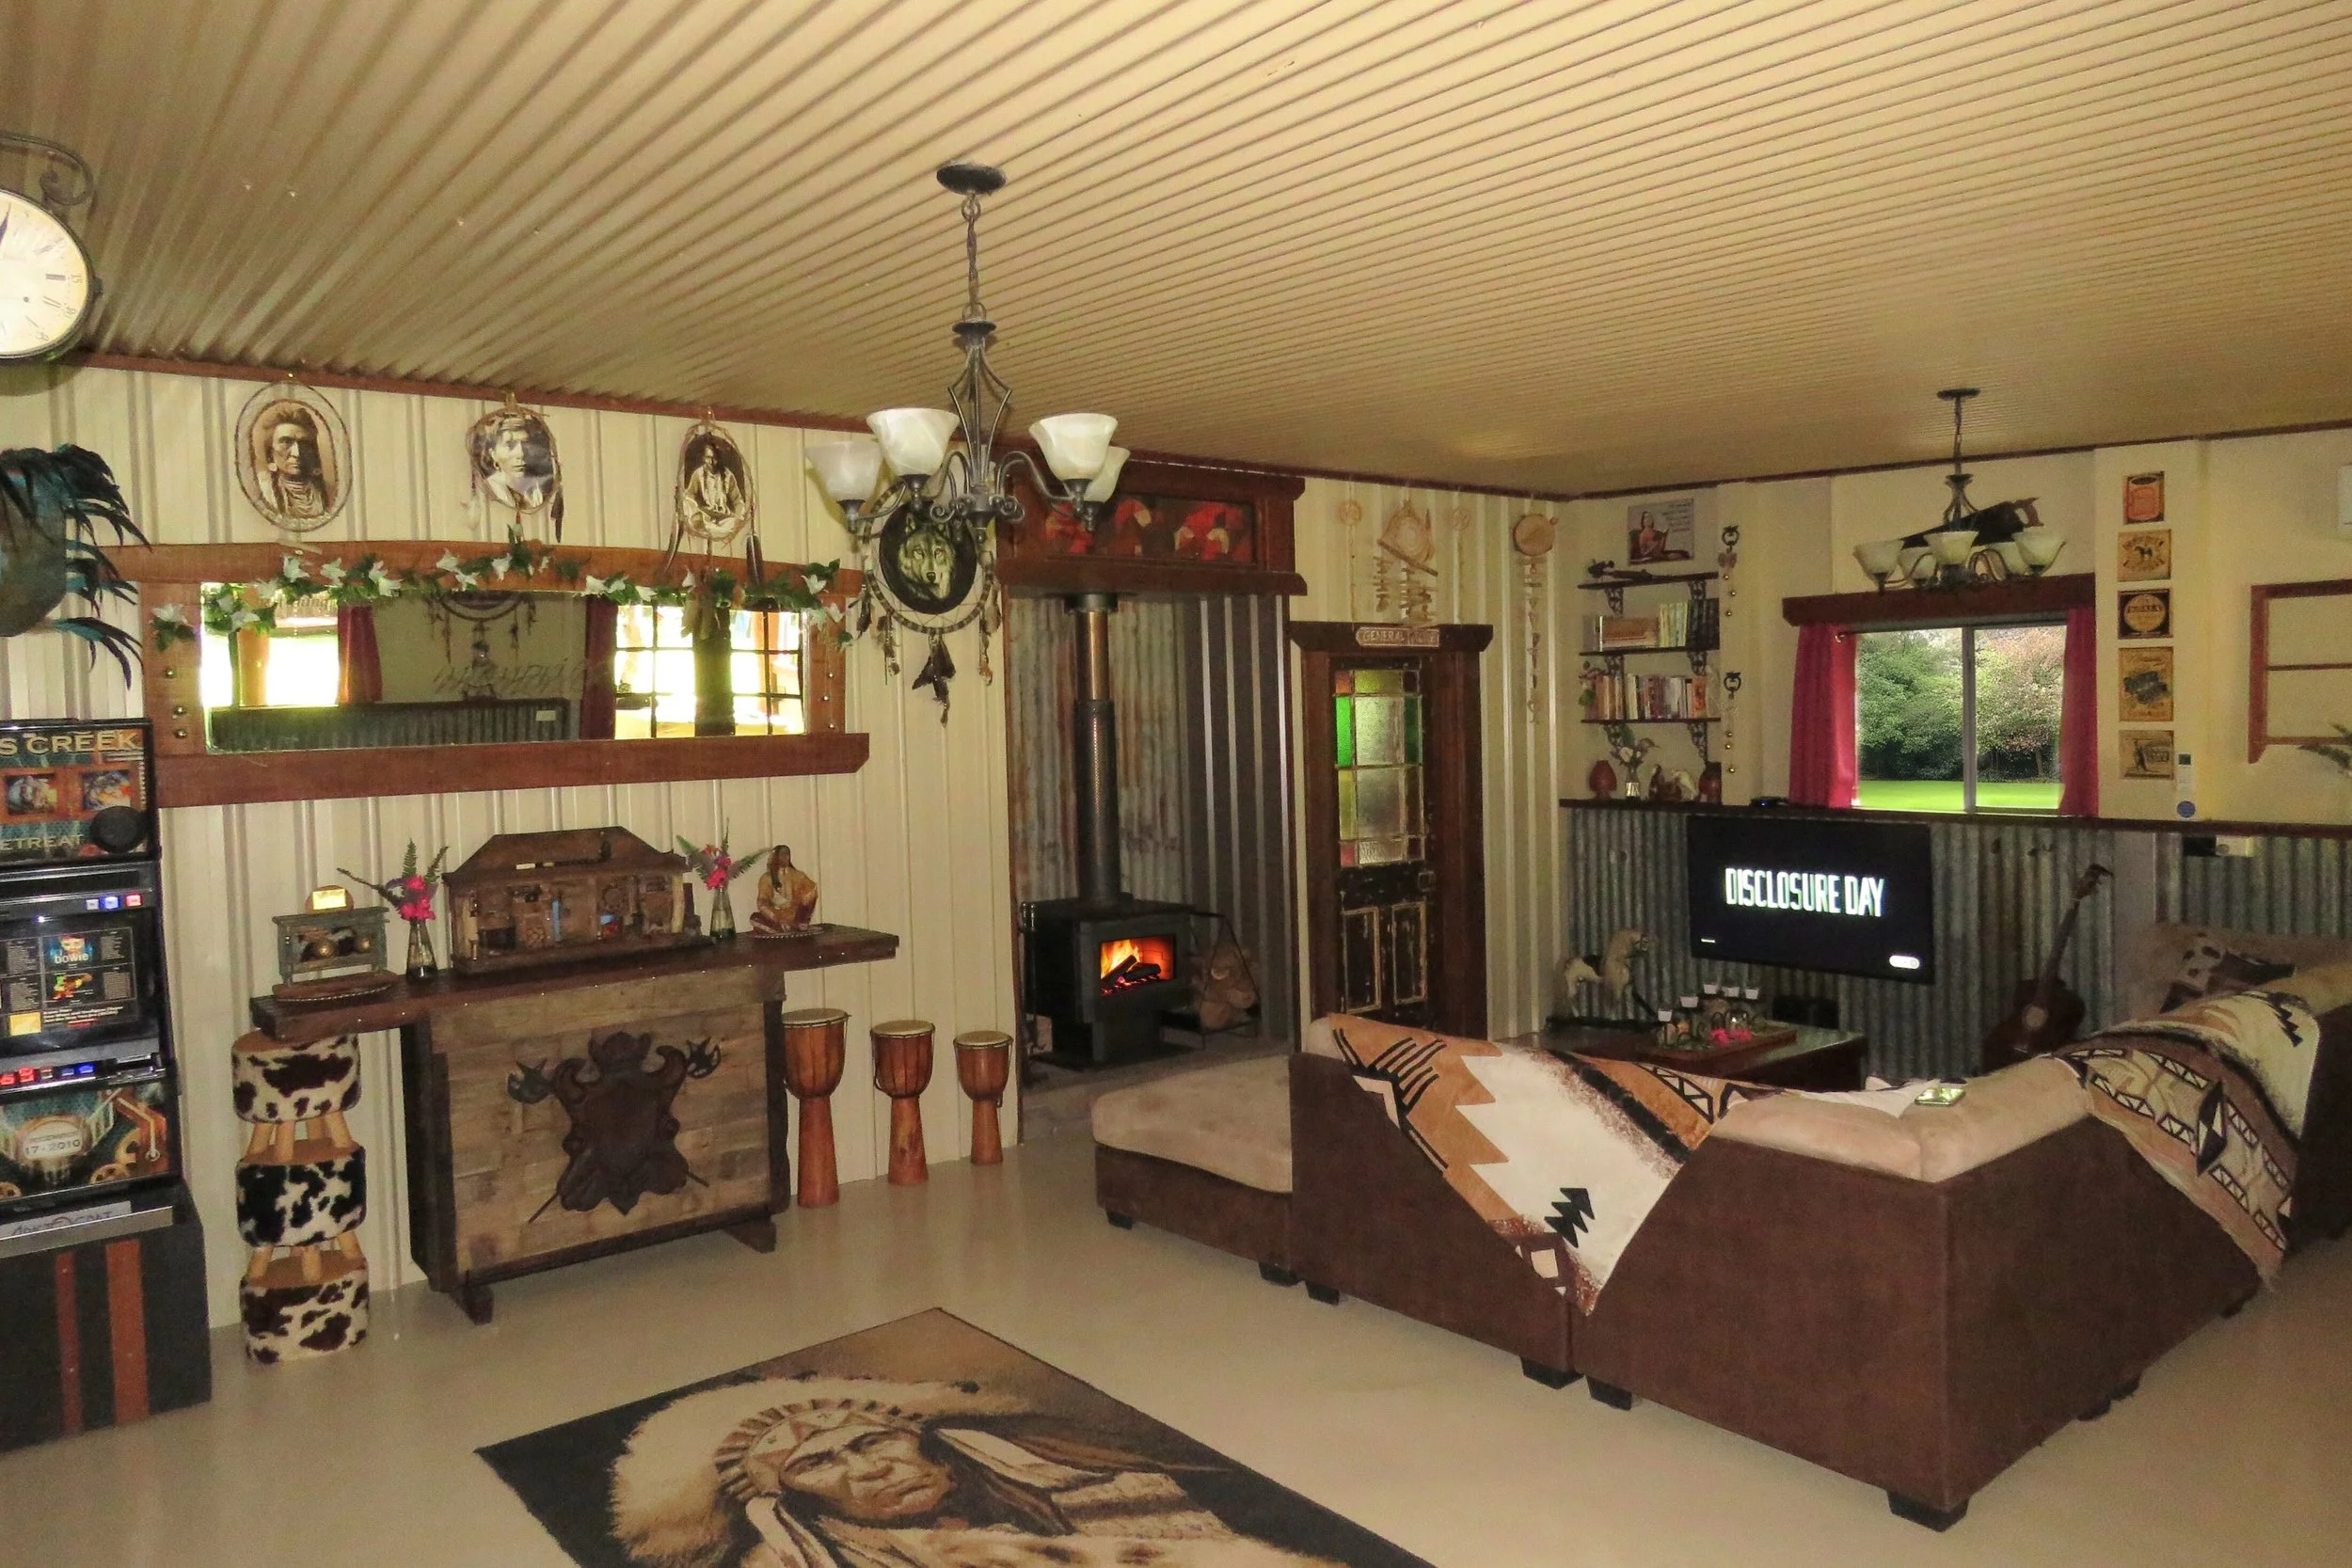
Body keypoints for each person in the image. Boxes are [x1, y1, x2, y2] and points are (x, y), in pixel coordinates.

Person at [609, 1374, 1343, 1568]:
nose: (867, 1467)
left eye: (871, 1439)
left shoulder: (1083, 1480)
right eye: (817, 1463)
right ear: (779, 1497)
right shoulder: (792, 1558)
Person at [472, 407, 557, 512]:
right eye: (510, 445)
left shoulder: (533, 488)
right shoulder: (496, 487)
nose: (520, 453)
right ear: (492, 454)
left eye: (525, 444)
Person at [258, 404, 330, 522]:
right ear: (270, 451)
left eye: (304, 444)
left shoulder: (324, 491)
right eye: (286, 442)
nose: (297, 453)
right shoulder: (264, 490)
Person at [680, 440, 748, 537]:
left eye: (714, 458)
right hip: (706, 517)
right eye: (708, 458)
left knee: (731, 527)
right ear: (704, 458)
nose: (711, 462)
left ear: (719, 459)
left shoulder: (728, 476)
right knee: (697, 523)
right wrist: (695, 512)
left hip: (724, 518)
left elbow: (738, 501)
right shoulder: (698, 474)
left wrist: (738, 517)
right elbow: (688, 496)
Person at [750, 845, 819, 935]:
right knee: (755, 918)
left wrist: (802, 916)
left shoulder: (798, 875)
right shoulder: (766, 878)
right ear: (775, 857)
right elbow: (762, 903)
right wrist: (778, 919)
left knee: (810, 891)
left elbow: (812, 891)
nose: (785, 857)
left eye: (787, 854)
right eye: (782, 854)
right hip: (776, 916)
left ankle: (795, 926)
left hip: (795, 916)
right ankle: (782, 928)